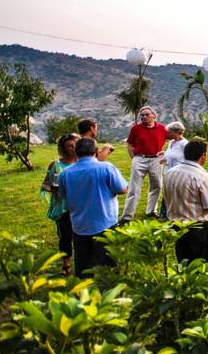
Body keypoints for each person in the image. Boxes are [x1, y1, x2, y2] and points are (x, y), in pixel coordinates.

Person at [58, 138, 128, 277]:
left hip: (79, 225)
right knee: (108, 266)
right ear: (96, 151)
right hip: (105, 223)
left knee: (83, 265)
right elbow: (122, 189)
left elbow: (63, 195)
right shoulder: (106, 167)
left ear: (76, 153)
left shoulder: (65, 173)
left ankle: (84, 292)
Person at [163, 139, 208, 263]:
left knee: (184, 265)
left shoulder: (170, 173)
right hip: (198, 228)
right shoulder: (202, 177)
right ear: (203, 155)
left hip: (177, 227)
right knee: (204, 267)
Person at [39, 133, 79, 275]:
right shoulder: (55, 165)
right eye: (69, 146)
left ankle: (83, 263)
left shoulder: (84, 163)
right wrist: (53, 189)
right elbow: (45, 184)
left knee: (82, 236)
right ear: (63, 148)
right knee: (65, 237)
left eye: (75, 145)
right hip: (62, 208)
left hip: (81, 207)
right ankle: (66, 264)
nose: (73, 148)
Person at [121, 106, 168, 223]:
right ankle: (127, 217)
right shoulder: (136, 129)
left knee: (157, 186)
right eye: (142, 115)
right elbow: (130, 144)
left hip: (156, 160)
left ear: (154, 116)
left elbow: (172, 138)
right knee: (134, 188)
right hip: (140, 159)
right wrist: (134, 159)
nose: (144, 117)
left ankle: (151, 211)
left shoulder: (161, 128)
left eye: (147, 115)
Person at [158, 121, 188, 218]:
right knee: (167, 193)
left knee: (177, 194)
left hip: (179, 174)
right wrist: (164, 156)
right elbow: (170, 154)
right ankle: (165, 214)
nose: (168, 134)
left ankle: (178, 214)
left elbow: (187, 158)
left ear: (177, 132)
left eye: (170, 132)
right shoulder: (171, 142)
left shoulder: (184, 144)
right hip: (168, 172)